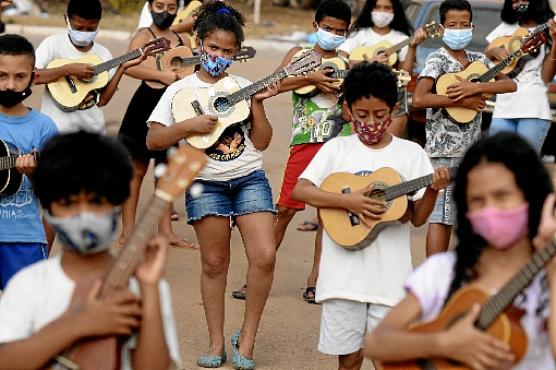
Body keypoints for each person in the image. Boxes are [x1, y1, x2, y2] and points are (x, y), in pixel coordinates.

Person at [292, 61, 451, 370]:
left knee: (388, 361)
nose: (371, 123)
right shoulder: (337, 149)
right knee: (349, 360)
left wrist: (433, 189)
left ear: (393, 109)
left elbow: (417, 218)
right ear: (348, 110)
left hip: (390, 279)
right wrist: (348, 201)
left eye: (380, 115)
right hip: (342, 278)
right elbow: (301, 190)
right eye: (362, 115)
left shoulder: (411, 154)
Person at [146, 2, 278, 369]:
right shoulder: (179, 91)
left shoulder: (243, 86)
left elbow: (263, 141)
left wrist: (259, 106)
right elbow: (153, 141)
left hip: (250, 177)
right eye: (213, 48)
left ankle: (246, 340)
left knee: (264, 256)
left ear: (238, 52)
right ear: (198, 43)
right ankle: (216, 340)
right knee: (214, 263)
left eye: (228, 51)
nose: (219, 56)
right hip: (205, 183)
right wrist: (188, 128)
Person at [364, 132, 556, 370]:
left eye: (502, 196)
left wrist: (553, 272)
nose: (490, 210)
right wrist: (443, 343)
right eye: (477, 200)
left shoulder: (548, 277)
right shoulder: (443, 271)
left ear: (533, 196)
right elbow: (377, 343)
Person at [0, 131, 181, 370]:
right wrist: (79, 324)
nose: (83, 214)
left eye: (96, 202)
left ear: (118, 203)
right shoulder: (29, 284)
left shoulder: (144, 287)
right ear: (48, 206)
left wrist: (149, 289)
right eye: (68, 203)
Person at [231, 0, 352, 304]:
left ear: (347, 32)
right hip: (305, 143)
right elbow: (272, 85)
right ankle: (256, 277)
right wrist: (310, 78)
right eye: (328, 28)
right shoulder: (298, 56)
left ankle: (316, 281)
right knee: (284, 210)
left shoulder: (347, 61)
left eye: (339, 31)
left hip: (340, 143)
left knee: (330, 214)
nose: (333, 34)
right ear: (315, 26)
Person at [412, 0, 517, 256]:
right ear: (443, 27)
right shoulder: (437, 60)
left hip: (470, 151)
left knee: (463, 214)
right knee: (441, 216)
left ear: (471, 26)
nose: (458, 29)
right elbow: (419, 99)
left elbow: (509, 85)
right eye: (452, 24)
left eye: (463, 24)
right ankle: (435, 276)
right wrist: (461, 99)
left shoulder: (478, 60)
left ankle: (459, 273)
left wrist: (476, 87)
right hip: (442, 149)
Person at [118, 0, 194, 250]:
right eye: (159, 6)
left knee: (166, 173)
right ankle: (127, 232)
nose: (165, 12)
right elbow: (129, 66)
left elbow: (192, 71)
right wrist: (163, 76)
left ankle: (167, 232)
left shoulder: (183, 41)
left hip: (172, 110)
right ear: (150, 7)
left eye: (171, 8)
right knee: (135, 171)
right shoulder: (144, 35)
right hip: (144, 105)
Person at [33, 0, 144, 133]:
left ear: (98, 23)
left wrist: (122, 69)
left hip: (92, 130)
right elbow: (32, 77)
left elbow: (102, 101)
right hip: (56, 130)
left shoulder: (103, 54)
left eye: (91, 29)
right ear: (66, 19)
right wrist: (68, 70)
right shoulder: (53, 44)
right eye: (79, 28)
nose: (84, 33)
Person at [0, 34, 58, 290]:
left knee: (27, 322)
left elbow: (54, 199)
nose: (10, 85)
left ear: (34, 76)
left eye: (19, 76)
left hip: (24, 238)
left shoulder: (43, 127)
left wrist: (34, 174)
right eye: (2, 76)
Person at [338, 0, 428, 137]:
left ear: (394, 11)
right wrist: (367, 62)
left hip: (391, 96)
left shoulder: (401, 38)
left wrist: (412, 47)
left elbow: (406, 74)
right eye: (378, 7)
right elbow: (341, 59)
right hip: (360, 94)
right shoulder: (359, 34)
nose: (382, 12)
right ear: (370, 9)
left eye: (387, 8)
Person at [486, 0, 556, 154]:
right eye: (515, 1)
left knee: (525, 167)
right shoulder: (506, 28)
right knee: (497, 162)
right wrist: (495, 51)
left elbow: (546, 78)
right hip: (503, 108)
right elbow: (488, 52)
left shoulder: (548, 28)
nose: (519, 3)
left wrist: (555, 41)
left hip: (533, 109)